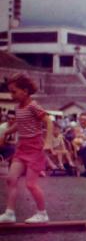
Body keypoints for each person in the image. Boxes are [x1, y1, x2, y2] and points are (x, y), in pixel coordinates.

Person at [0, 73, 53, 224]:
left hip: (35, 148)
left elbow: (48, 122)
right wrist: (6, 132)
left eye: (14, 91)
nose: (11, 95)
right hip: (22, 148)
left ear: (25, 90)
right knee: (11, 179)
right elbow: (20, 124)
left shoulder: (33, 106)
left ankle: (42, 213)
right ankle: (9, 213)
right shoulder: (18, 107)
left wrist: (48, 142)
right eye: (10, 91)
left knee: (31, 184)